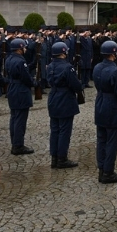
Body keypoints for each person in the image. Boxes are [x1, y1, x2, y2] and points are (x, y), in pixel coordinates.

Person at [93, 40, 117, 184]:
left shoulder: (97, 67)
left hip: (100, 102)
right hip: (112, 105)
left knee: (101, 139)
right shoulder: (115, 71)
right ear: (114, 54)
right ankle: (108, 171)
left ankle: (102, 169)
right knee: (112, 141)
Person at [47, 41, 83, 169]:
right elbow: (75, 85)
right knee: (64, 131)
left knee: (55, 129)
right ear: (63, 53)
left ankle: (54, 157)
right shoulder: (67, 67)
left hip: (53, 97)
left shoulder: (50, 66)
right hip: (65, 98)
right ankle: (62, 158)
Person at [5, 38, 35, 155]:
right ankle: (18, 145)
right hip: (21, 90)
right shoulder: (20, 61)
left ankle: (15, 142)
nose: (25, 49)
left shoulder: (9, 58)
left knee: (14, 117)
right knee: (20, 120)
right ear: (20, 48)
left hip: (12, 88)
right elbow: (25, 77)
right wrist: (33, 83)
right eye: (24, 47)